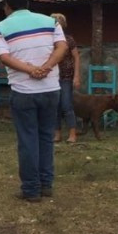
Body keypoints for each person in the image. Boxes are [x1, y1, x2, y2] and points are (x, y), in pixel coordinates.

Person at [0, 0, 68, 202]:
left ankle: (31, 190)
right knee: (46, 137)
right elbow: (62, 47)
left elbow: (4, 58)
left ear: (6, 5)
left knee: (28, 140)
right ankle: (46, 185)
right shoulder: (50, 21)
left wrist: (30, 70)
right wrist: (45, 67)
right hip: (51, 90)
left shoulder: (1, 27)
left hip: (23, 92)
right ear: (28, 2)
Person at [50, 13, 81, 143]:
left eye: (57, 23)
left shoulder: (68, 39)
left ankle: (73, 134)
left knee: (66, 105)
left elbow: (76, 57)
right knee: (55, 106)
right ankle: (57, 134)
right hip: (52, 77)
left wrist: (77, 75)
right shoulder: (48, 40)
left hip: (66, 77)